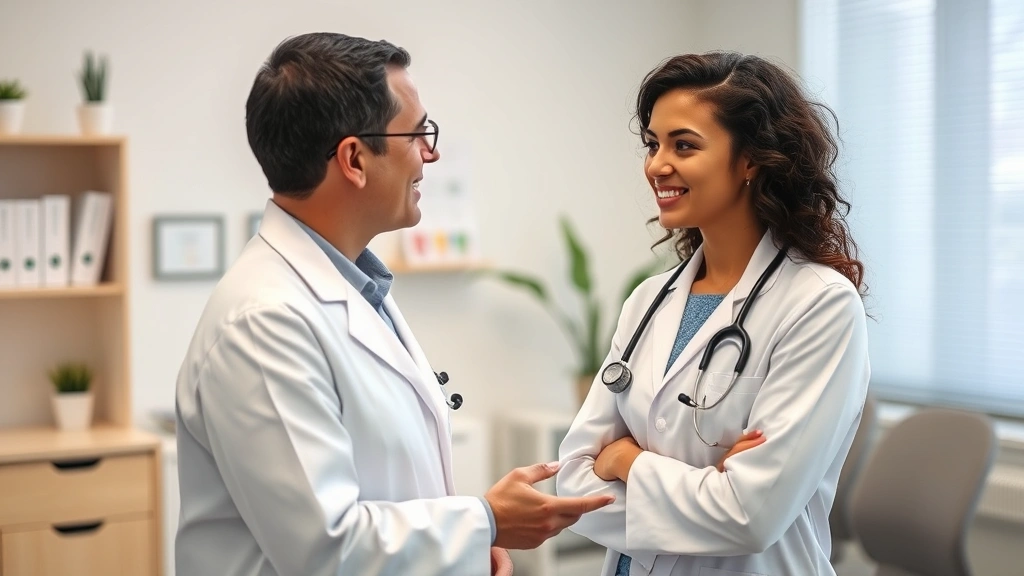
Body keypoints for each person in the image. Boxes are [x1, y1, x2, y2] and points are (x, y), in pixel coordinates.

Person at [174, 32, 613, 576]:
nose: (431, 153)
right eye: (418, 133)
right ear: (354, 158)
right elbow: (326, 549)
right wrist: (485, 522)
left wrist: (465, 552)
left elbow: (386, 495)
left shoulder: (357, 287)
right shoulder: (264, 321)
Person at [555, 52, 870, 576]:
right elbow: (573, 482)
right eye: (652, 144)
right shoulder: (648, 300)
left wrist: (627, 462)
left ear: (751, 159)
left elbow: (749, 518)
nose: (657, 164)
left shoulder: (818, 304)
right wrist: (706, 486)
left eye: (684, 145)